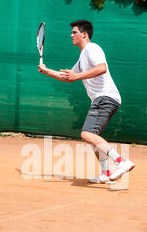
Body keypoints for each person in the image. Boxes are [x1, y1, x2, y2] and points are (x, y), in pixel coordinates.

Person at [38, 19, 135, 183]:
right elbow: (68, 78)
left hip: (105, 97)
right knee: (92, 136)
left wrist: (78, 76)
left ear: (84, 34)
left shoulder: (92, 48)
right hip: (103, 98)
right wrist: (47, 71)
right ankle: (105, 172)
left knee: (87, 134)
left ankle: (121, 161)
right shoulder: (83, 55)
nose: (71, 35)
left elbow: (102, 68)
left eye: (74, 32)